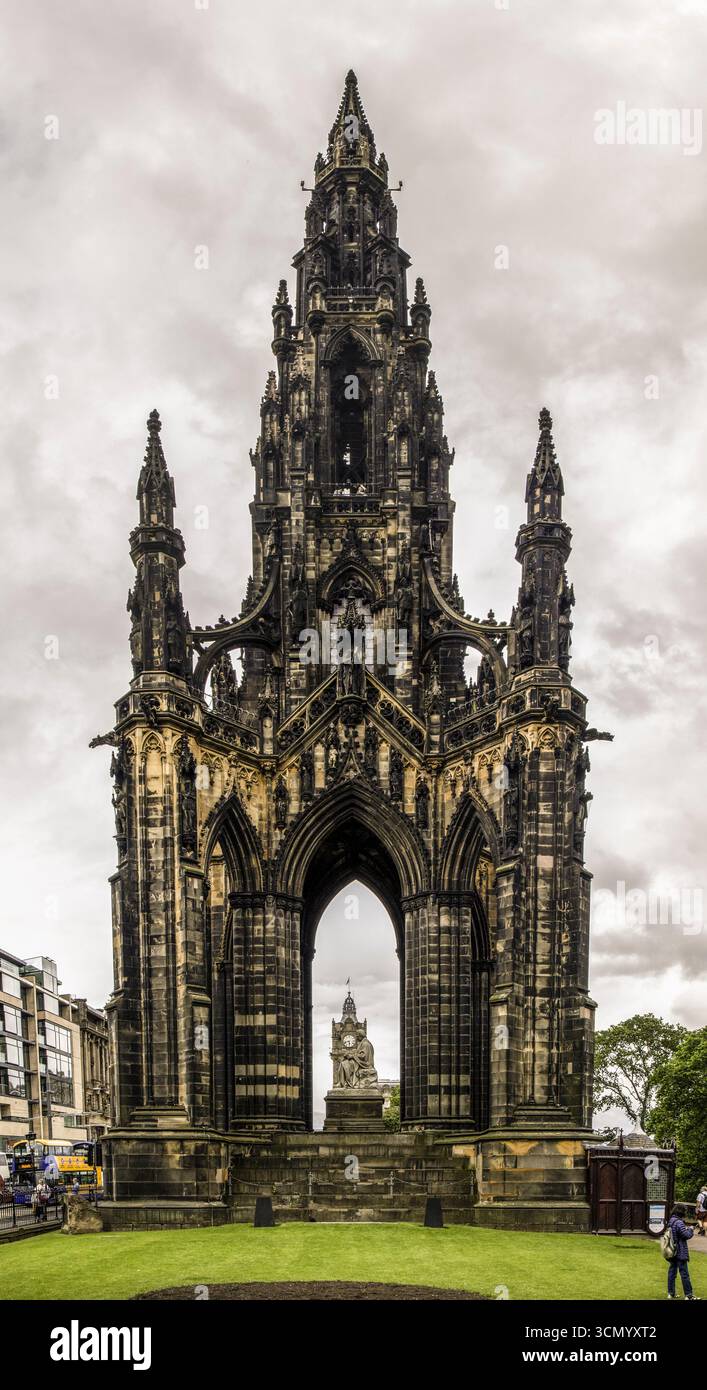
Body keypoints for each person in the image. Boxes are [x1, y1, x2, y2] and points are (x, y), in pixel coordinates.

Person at [666, 1203, 700, 1300]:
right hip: (680, 1250)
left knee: (672, 1272)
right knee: (684, 1273)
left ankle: (671, 1293)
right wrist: (690, 1229)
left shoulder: (671, 1220)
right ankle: (688, 1295)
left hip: (672, 1250)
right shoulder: (679, 1222)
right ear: (681, 1211)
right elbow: (686, 1235)